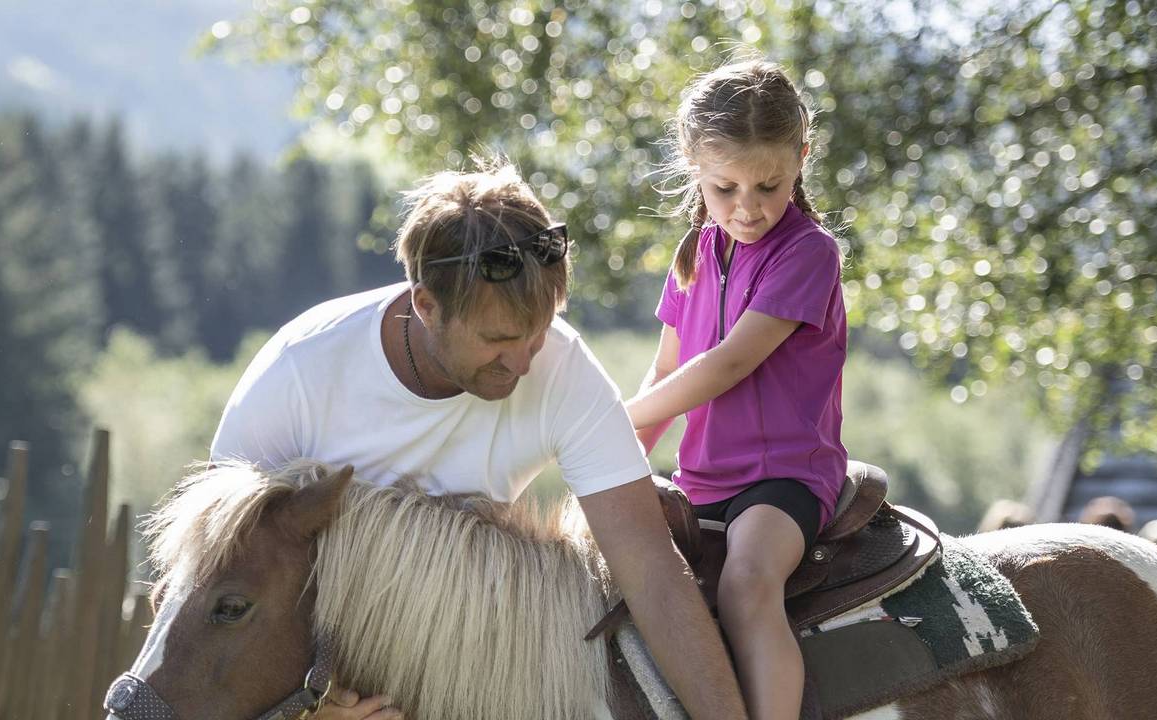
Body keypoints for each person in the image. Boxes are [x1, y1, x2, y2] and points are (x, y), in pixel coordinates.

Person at [210, 160, 748, 719]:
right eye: (498, 339)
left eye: (537, 333)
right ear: (426, 305)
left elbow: (652, 571)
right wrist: (306, 713)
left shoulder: (563, 368)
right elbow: (196, 588)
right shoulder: (299, 371)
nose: (521, 363)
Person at [624, 58, 847, 720]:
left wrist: (605, 420)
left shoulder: (809, 252)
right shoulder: (693, 253)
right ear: (693, 163)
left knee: (747, 584)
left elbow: (726, 365)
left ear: (802, 157)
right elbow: (666, 372)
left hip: (784, 479)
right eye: (726, 189)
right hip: (700, 480)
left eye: (769, 185)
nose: (747, 208)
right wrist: (620, 452)